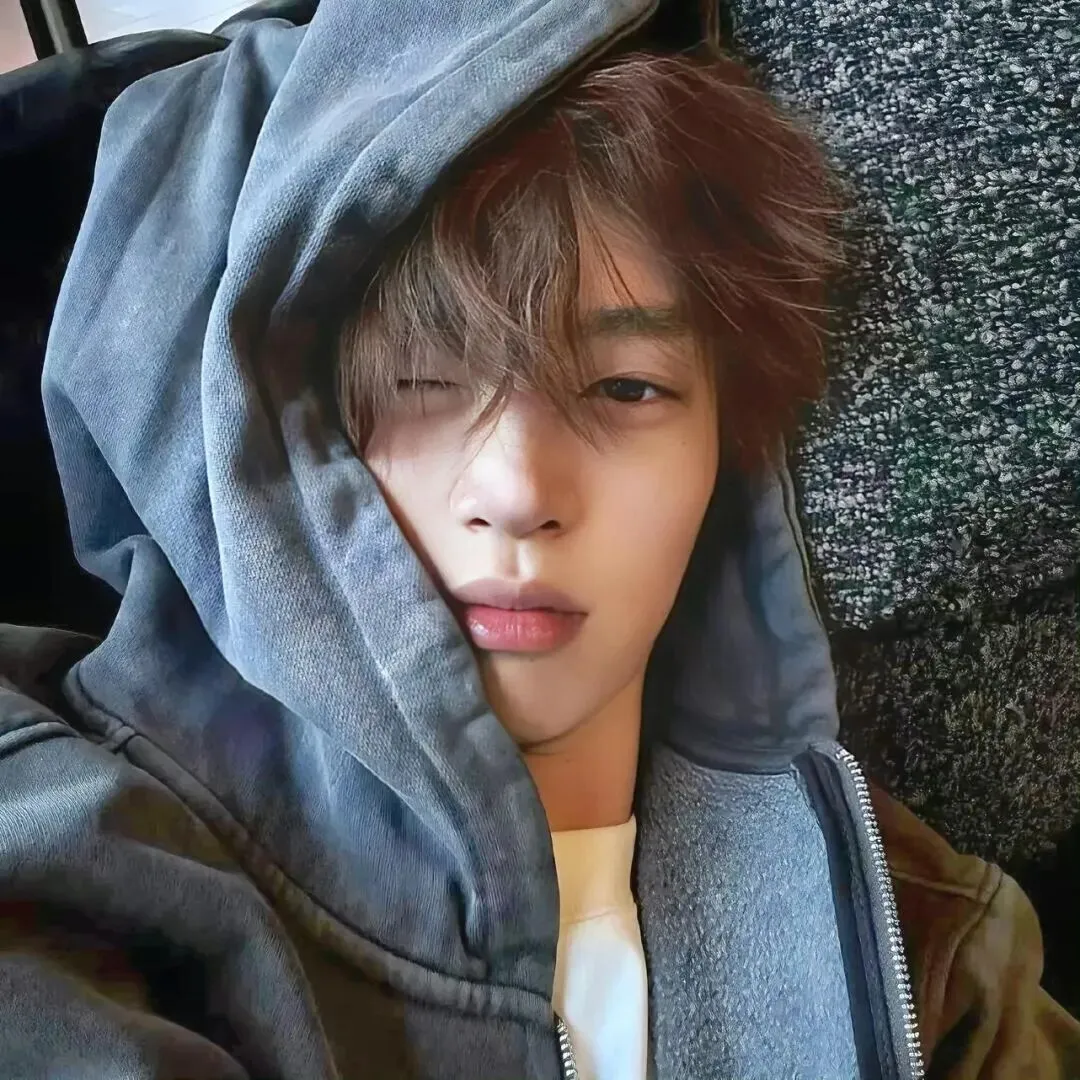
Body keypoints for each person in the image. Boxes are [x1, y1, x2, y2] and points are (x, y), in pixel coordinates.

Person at [1, 0, 1077, 1077]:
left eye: (626, 387)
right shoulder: (64, 850)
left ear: (728, 452)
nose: (517, 491)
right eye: (415, 381)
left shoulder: (924, 943)